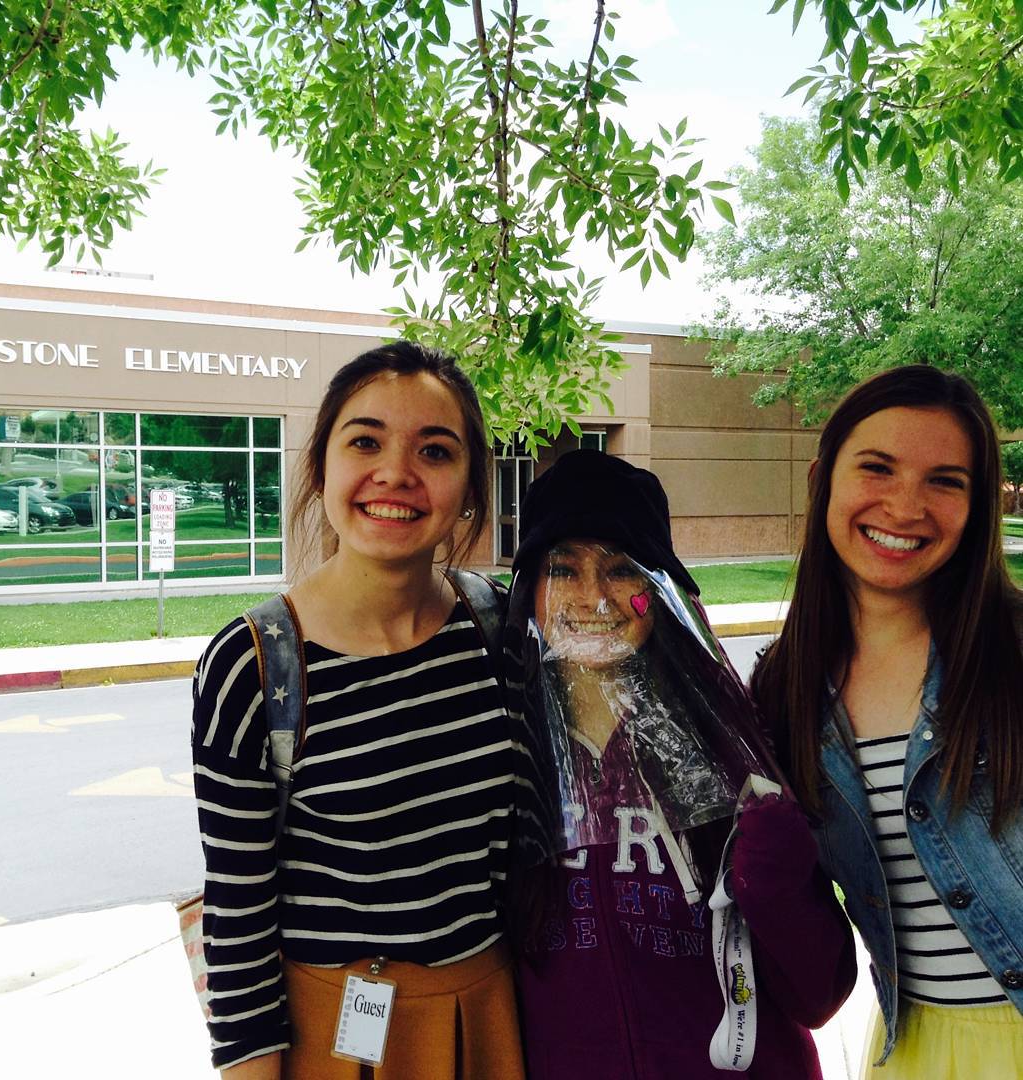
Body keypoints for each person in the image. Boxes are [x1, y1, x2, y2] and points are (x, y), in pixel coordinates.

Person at [191, 341, 526, 1079]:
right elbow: (238, 920)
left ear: (471, 487)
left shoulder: (501, 631)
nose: (395, 474)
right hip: (332, 1037)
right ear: (323, 466)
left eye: (435, 451)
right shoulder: (252, 664)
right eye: (365, 441)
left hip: (493, 1019)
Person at [507, 449, 856, 1079]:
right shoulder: (506, 752)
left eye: (621, 571)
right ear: (529, 587)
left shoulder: (733, 741)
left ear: (660, 592)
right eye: (564, 569)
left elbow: (818, 993)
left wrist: (772, 868)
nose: (594, 598)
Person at [750, 365, 1023, 1078]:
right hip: (912, 1051)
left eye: (946, 480)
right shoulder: (785, 690)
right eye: (878, 468)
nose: (906, 506)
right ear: (822, 481)